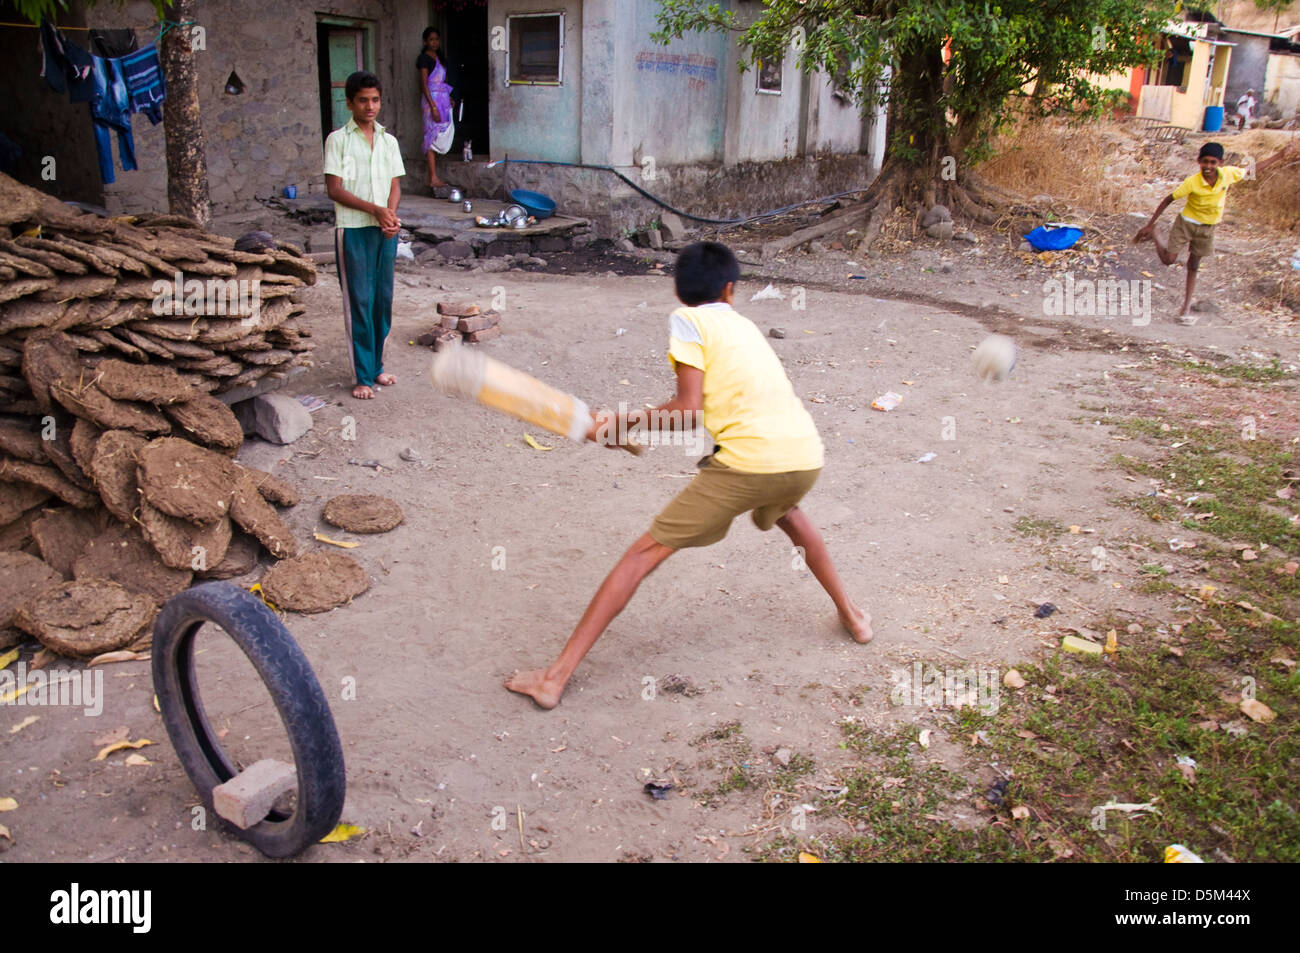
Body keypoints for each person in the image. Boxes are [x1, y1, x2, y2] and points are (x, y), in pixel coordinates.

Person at [505, 241, 871, 710]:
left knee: (641, 556)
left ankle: (553, 679)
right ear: (730, 290)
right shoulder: (743, 325)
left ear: (680, 293)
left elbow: (686, 410)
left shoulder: (687, 320)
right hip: (803, 458)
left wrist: (617, 424)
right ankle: (854, 616)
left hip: (749, 464)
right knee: (791, 514)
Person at [323, 70, 405, 400]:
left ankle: (377, 367)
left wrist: (391, 214)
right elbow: (334, 189)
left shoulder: (389, 141)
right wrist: (376, 210)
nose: (369, 106)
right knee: (359, 300)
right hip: (354, 230)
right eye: (362, 100)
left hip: (385, 229)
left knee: (382, 300)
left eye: (374, 100)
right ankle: (361, 375)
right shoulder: (338, 140)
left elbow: (395, 185)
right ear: (350, 104)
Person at [1133, 141, 1246, 323]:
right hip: (1186, 223)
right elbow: (1167, 200)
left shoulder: (1229, 174)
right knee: (1169, 259)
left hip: (1208, 228)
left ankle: (1186, 306)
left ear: (1220, 163)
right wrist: (1150, 224)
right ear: (1198, 161)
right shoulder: (1192, 182)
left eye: (1213, 162)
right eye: (1205, 162)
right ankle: (1156, 234)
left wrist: (1280, 155)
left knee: (1193, 265)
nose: (1208, 166)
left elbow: (1252, 170)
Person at [417, 26, 455, 191]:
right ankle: (432, 178)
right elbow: (424, 85)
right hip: (431, 101)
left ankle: (434, 176)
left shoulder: (440, 58)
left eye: (436, 39)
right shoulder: (423, 59)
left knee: (441, 133)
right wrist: (433, 106)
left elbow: (443, 82)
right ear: (425, 42)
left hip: (442, 99)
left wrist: (449, 98)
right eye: (431, 39)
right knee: (432, 136)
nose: (434, 42)